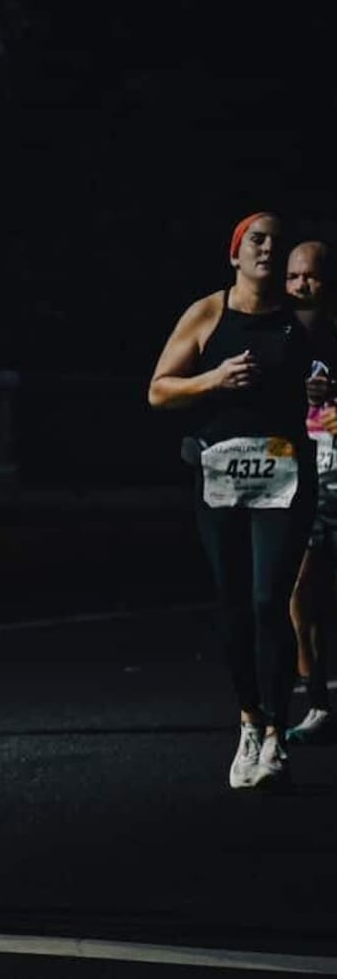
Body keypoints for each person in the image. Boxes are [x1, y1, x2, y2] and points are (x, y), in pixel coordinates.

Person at [148, 212, 316, 790]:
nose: (267, 249)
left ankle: (275, 732)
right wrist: (213, 380)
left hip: (284, 475)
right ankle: (249, 719)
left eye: (276, 241)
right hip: (220, 474)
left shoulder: (304, 318)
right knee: (235, 603)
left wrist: (323, 388)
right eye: (256, 240)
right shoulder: (208, 313)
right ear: (235, 253)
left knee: (271, 599)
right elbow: (159, 390)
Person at [285, 241, 337, 744]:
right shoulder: (277, 334)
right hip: (304, 476)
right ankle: (318, 702)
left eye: (312, 276)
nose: (302, 285)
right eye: (294, 276)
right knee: (301, 589)